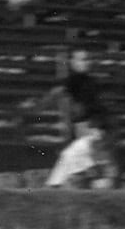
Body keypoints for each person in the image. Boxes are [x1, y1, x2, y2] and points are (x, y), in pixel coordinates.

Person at [30, 49, 119, 188]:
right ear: (72, 62)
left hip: (95, 130)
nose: (85, 63)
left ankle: (53, 187)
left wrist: (97, 127)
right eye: (81, 59)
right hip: (89, 133)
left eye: (87, 59)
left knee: (72, 156)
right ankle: (55, 186)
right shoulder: (73, 84)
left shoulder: (91, 85)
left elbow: (96, 111)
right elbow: (57, 93)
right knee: (83, 162)